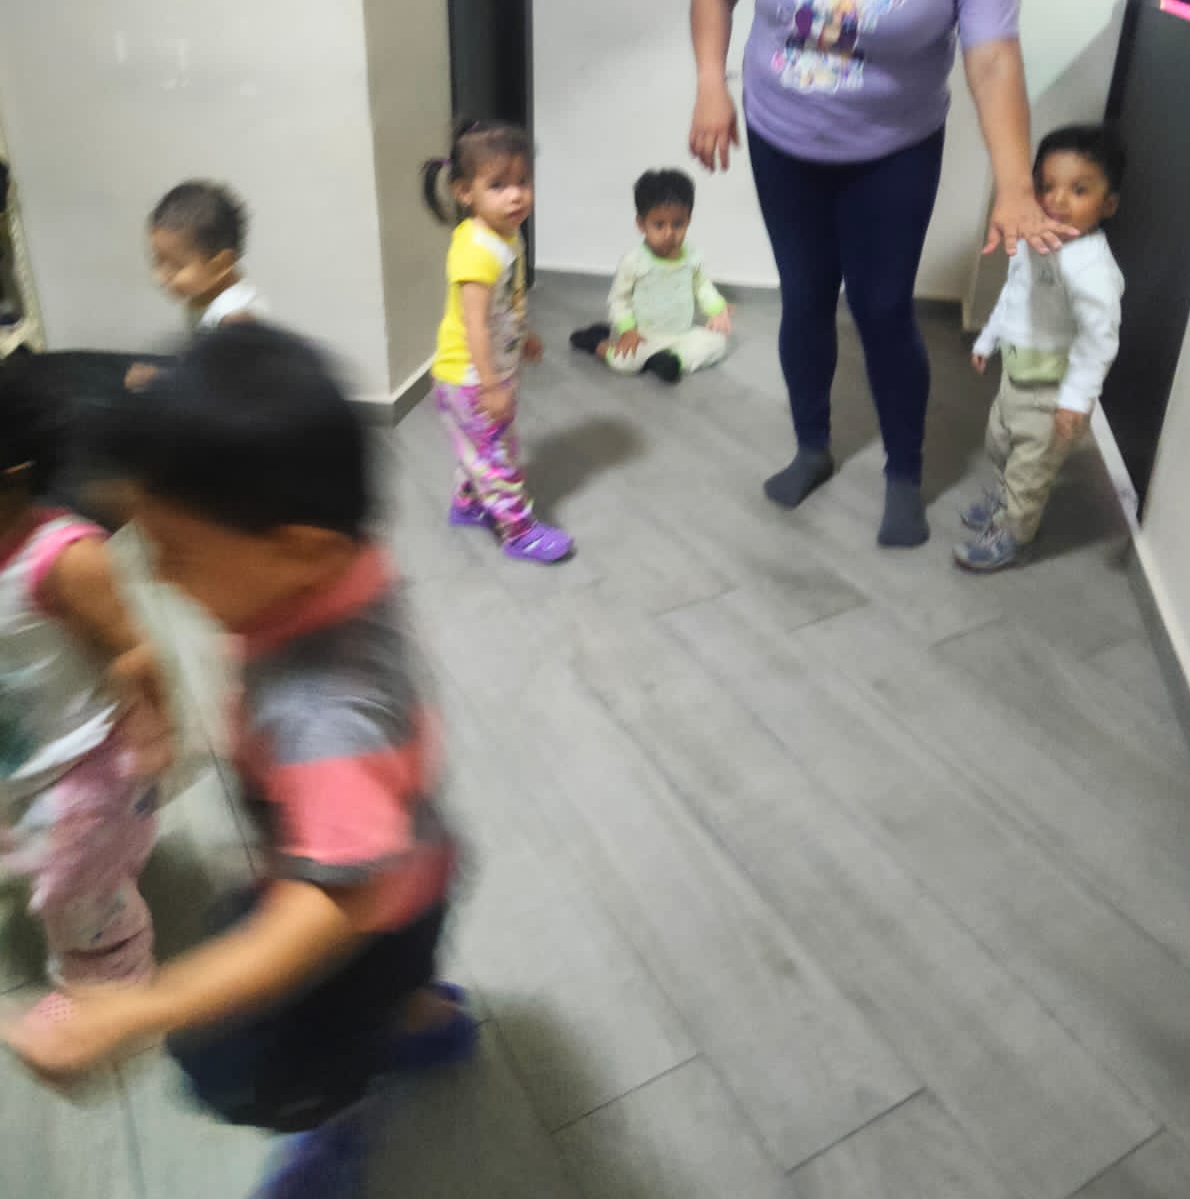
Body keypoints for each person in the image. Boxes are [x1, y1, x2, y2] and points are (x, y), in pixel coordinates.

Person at [4, 325, 476, 1199]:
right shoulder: (331, 555)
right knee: (401, 968)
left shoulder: (328, 714)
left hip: (362, 908)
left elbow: (332, 909)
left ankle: (338, 1117)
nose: (158, 577)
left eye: (173, 552)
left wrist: (144, 1006)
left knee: (310, 1052)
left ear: (301, 549)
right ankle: (424, 1017)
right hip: (413, 847)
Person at [688, 0, 1074, 549]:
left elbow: (993, 60)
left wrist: (1016, 185)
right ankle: (812, 446)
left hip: (891, 152)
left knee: (884, 306)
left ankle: (903, 468)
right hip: (782, 137)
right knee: (804, 298)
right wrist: (711, 85)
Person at [0, 360, 170, 998]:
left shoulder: (63, 558)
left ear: (12, 477)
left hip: (85, 766)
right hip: (27, 755)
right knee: (68, 867)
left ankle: (112, 983)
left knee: (77, 892)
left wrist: (154, 724)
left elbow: (133, 651)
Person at [955, 126, 1125, 572]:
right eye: (1046, 186)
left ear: (1108, 204)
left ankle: (1015, 533)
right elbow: (1014, 295)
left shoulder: (1092, 270)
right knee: (1000, 444)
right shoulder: (1033, 240)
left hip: (1053, 392)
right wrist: (989, 338)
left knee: (1030, 471)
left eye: (1079, 190)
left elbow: (1098, 341)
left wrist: (1075, 400)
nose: (1057, 200)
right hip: (1016, 378)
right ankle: (1007, 497)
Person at [423, 118, 574, 564]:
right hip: (471, 378)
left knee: (482, 448)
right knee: (497, 456)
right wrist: (490, 385)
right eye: (498, 185)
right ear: (464, 192)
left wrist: (522, 335)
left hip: (484, 372)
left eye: (522, 181)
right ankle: (518, 531)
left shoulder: (506, 235)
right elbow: (473, 325)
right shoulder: (477, 251)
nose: (516, 195)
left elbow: (502, 307)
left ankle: (469, 503)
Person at [569, 168, 732, 383]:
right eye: (659, 225)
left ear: (688, 220)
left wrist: (717, 309)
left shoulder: (691, 256)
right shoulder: (634, 261)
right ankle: (597, 342)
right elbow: (619, 300)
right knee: (625, 363)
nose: (669, 233)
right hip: (644, 335)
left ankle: (672, 360)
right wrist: (628, 330)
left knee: (718, 344)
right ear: (641, 224)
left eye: (678, 224)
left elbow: (702, 286)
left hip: (682, 334)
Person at [126, 180, 264, 391]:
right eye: (157, 261)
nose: (161, 276)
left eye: (175, 266)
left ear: (220, 266)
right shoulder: (203, 297)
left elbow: (228, 386)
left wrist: (158, 379)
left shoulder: (235, 317)